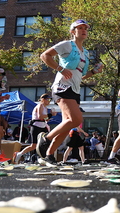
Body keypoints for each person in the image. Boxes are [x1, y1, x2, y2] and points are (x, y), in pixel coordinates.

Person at [36, 19, 103, 166]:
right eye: (80, 28)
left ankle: (48, 156)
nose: (84, 30)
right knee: (75, 120)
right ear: (73, 31)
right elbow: (45, 56)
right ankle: (46, 139)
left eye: (86, 28)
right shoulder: (67, 44)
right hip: (62, 87)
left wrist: (93, 71)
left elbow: (79, 76)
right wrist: (60, 68)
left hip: (74, 89)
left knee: (67, 126)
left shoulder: (85, 52)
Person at [14, 94, 55, 164]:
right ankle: (20, 154)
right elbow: (40, 116)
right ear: (43, 99)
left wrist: (49, 117)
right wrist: (50, 115)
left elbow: (44, 118)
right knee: (34, 145)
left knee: (45, 142)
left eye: (50, 100)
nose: (49, 101)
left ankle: (44, 157)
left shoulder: (45, 108)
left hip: (43, 126)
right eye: (48, 99)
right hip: (36, 126)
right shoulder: (40, 106)